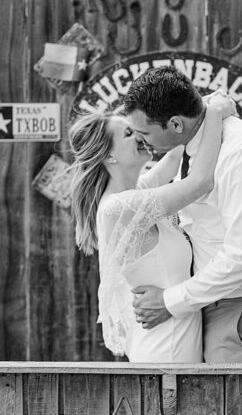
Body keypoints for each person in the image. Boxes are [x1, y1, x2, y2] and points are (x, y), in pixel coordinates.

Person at [122, 67, 242, 363]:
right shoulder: (194, 146)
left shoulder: (241, 157)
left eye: (145, 132)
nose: (141, 140)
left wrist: (169, 302)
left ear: (174, 123)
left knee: (233, 409)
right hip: (214, 304)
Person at [70, 91, 231, 362]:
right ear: (109, 156)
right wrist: (214, 113)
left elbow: (173, 157)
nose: (140, 136)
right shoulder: (119, 208)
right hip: (165, 349)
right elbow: (201, 181)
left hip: (175, 340)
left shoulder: (136, 193)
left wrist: (195, 108)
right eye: (128, 134)